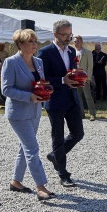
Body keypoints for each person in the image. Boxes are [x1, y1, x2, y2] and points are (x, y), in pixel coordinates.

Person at [1, 29, 55, 200]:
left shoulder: (38, 61)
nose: (34, 44)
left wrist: (45, 90)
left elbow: (41, 82)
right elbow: (6, 89)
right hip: (17, 113)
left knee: (24, 147)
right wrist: (29, 96)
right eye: (30, 41)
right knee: (32, 148)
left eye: (35, 41)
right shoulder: (10, 62)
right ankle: (41, 187)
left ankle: (16, 182)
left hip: (35, 110)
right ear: (20, 44)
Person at [37, 19, 84, 188]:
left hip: (72, 98)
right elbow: (41, 78)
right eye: (64, 35)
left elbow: (71, 72)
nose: (68, 38)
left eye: (69, 34)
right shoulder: (45, 53)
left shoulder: (72, 51)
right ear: (55, 34)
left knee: (78, 134)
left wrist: (78, 78)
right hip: (55, 100)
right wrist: (62, 80)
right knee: (57, 137)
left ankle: (54, 156)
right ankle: (63, 174)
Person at [73, 35, 96, 121]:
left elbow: (90, 66)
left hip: (84, 78)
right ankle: (81, 113)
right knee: (78, 97)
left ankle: (92, 113)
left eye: (78, 41)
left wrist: (88, 78)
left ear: (82, 42)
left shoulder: (87, 52)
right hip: (75, 77)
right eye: (75, 41)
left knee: (88, 96)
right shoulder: (72, 52)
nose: (76, 43)